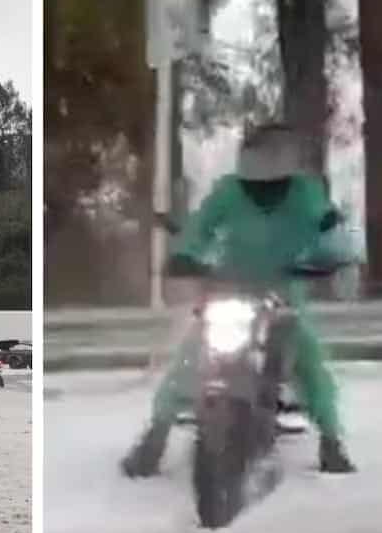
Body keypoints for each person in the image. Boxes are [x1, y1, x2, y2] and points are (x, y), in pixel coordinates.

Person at [120, 123, 359, 478]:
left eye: (273, 184)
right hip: (229, 285)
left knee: (308, 359)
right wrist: (185, 255)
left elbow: (331, 230)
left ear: (289, 174)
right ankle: (155, 436)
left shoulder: (307, 194)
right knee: (191, 355)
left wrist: (334, 256)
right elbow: (199, 229)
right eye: (255, 184)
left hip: (283, 290)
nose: (262, 191)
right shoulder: (228, 191)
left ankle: (331, 440)